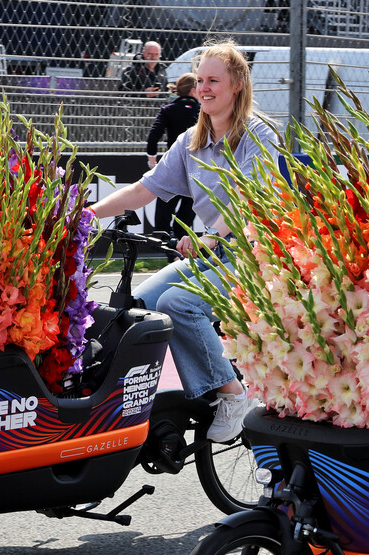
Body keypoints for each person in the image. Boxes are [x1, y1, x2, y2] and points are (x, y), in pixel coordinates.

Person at [90, 40, 278, 444]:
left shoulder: (257, 135)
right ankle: (147, 401)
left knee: (179, 303)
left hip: (258, 259)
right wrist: (86, 214)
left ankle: (231, 394)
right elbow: (145, 189)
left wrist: (213, 235)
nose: (204, 89)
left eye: (214, 81)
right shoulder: (191, 141)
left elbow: (251, 200)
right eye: (201, 81)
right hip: (213, 253)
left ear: (238, 85)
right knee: (138, 306)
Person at [145, 73, 201, 241]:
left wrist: (152, 161)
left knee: (162, 217)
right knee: (185, 219)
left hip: (172, 166)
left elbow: (153, 136)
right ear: (193, 91)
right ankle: (182, 252)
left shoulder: (168, 110)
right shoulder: (203, 112)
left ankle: (168, 253)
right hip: (195, 169)